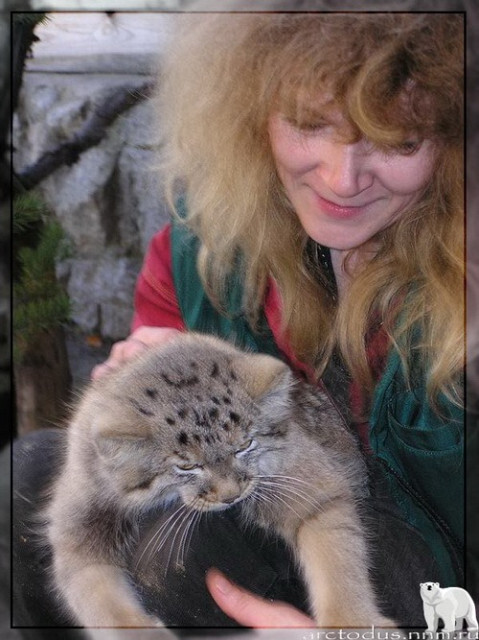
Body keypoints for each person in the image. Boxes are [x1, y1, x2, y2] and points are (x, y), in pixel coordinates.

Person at [13, 12, 464, 632]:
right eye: (310, 124)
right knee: (32, 479)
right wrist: (134, 383)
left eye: (399, 140)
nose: (342, 179)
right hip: (280, 525)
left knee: (194, 551)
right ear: (249, 107)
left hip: (440, 604)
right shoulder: (200, 255)